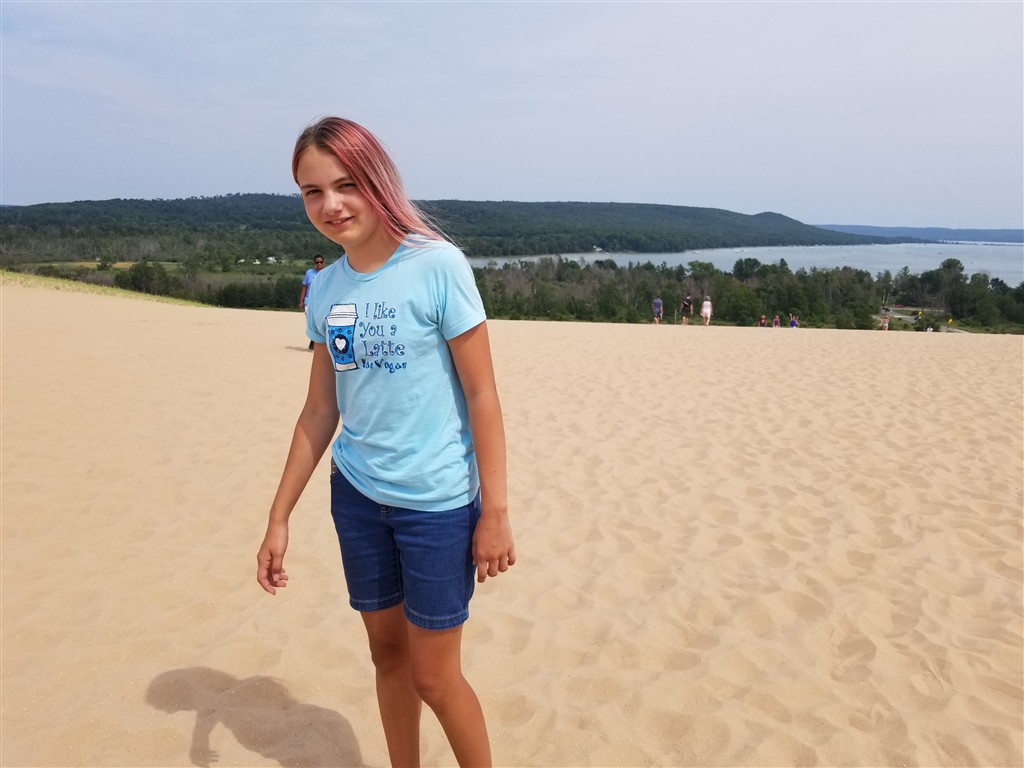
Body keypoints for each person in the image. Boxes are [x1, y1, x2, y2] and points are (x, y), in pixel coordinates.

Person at [257, 117, 515, 768]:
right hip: (359, 500)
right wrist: (279, 516)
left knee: (435, 676)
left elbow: (483, 395)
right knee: (387, 654)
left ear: (377, 180)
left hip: (436, 505)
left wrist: (495, 512)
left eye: (346, 184)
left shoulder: (436, 265)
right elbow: (320, 410)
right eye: (312, 192)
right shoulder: (328, 288)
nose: (331, 205)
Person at [299, 255, 325, 349]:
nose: (319, 264)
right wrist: (301, 301)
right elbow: (305, 287)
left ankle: (315, 343)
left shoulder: (327, 273)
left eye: (321, 262)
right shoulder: (309, 273)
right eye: (317, 262)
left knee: (320, 322)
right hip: (309, 301)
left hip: (322, 302)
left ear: (324, 262)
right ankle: (314, 342)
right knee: (310, 322)